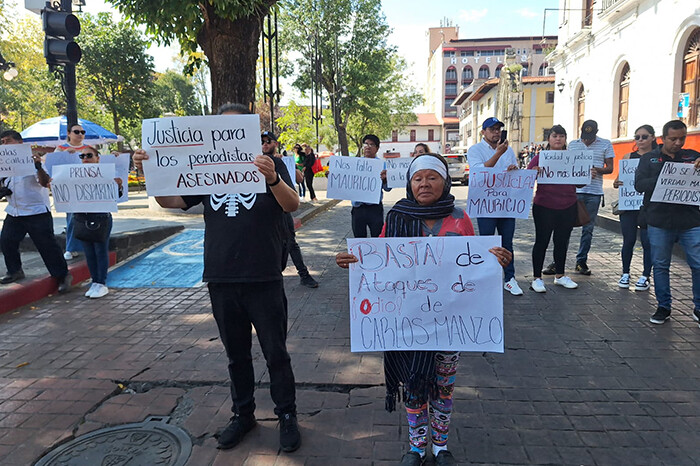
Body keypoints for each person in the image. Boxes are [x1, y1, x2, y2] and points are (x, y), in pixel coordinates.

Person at [132, 102, 302, 452]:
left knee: (276, 352)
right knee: (236, 354)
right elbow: (173, 200)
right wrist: (150, 172)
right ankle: (243, 414)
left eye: (237, 129)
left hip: (264, 276)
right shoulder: (207, 168)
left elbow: (291, 204)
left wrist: (271, 178)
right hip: (221, 277)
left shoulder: (272, 163)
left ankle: (287, 414)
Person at [336, 153, 512, 466]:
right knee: (414, 388)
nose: (424, 183)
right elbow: (379, 257)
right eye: (418, 178)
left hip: (448, 326)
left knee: (444, 389)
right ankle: (417, 448)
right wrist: (354, 259)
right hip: (407, 325)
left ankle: (441, 447)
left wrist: (497, 259)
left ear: (445, 182)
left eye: (432, 177)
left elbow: (476, 265)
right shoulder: (396, 217)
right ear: (409, 183)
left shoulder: (460, 218)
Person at [634, 119, 700, 326]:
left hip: (690, 220)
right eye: (673, 139)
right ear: (663, 139)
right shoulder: (649, 159)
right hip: (659, 220)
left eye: (682, 138)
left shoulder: (693, 157)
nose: (678, 143)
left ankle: (698, 307)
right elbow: (638, 185)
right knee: (661, 265)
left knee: (698, 264)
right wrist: (665, 177)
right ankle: (664, 306)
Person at [0, 130, 72, 292]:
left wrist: (38, 167)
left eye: (8, 141)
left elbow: (45, 182)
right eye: (2, 141)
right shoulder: (4, 164)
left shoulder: (31, 160)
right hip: (15, 211)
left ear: (19, 143)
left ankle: (62, 276)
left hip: (36, 212)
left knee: (47, 246)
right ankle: (15, 270)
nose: (4, 144)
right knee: (6, 241)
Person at [467, 117, 523, 296]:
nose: (496, 132)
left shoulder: (508, 150)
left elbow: (511, 173)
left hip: (506, 203)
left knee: (507, 242)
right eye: (492, 129)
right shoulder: (475, 150)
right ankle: (487, 276)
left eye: (498, 129)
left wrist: (514, 170)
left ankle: (509, 278)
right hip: (486, 204)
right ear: (483, 132)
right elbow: (479, 173)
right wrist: (498, 153)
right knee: (487, 241)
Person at [262, 132, 319, 288]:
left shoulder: (283, 161)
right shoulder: (256, 161)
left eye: (268, 141)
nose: (265, 144)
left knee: (290, 242)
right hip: (263, 213)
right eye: (262, 142)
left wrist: (287, 164)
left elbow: (300, 179)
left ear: (275, 143)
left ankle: (304, 274)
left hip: (283, 209)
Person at [527, 125, 579, 293]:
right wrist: (533, 172)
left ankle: (560, 275)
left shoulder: (574, 158)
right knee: (542, 241)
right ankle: (536, 278)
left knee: (562, 242)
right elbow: (526, 180)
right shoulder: (540, 157)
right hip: (544, 206)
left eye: (562, 136)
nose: (558, 139)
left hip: (568, 206)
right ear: (549, 139)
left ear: (565, 139)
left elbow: (580, 183)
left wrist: (587, 174)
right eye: (555, 135)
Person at [567, 120, 614, 275]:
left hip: (594, 192)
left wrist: (596, 170)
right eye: (585, 136)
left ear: (596, 132)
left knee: (588, 229)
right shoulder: (573, 144)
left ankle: (581, 261)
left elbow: (610, 168)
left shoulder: (605, 144)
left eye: (590, 136)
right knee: (565, 226)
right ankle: (557, 260)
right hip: (574, 191)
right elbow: (566, 166)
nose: (586, 140)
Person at [76, 146, 122, 298]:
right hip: (83, 217)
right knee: (89, 252)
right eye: (82, 156)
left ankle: (101, 282)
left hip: (101, 217)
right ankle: (95, 281)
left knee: (100, 250)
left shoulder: (107, 174)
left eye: (89, 155)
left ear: (98, 158)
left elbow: (117, 195)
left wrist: (119, 185)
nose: (85, 158)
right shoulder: (74, 175)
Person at [612, 124, 654, 291]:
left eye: (644, 136)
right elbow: (618, 180)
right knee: (628, 240)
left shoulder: (657, 157)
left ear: (653, 137)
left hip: (648, 207)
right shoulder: (628, 157)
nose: (641, 140)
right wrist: (617, 182)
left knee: (647, 242)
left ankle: (645, 275)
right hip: (629, 206)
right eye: (637, 137)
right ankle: (625, 273)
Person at [56, 123, 90, 261]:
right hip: (70, 188)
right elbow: (54, 166)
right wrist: (65, 154)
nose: (80, 134)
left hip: (86, 187)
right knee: (72, 218)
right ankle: (70, 247)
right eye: (77, 131)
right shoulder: (61, 149)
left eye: (82, 132)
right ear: (69, 133)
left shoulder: (88, 149)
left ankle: (84, 246)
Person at [350, 134, 391, 238]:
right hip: (358, 208)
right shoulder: (355, 164)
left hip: (374, 208)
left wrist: (385, 180)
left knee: (377, 238)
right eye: (366, 144)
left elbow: (388, 188)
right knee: (358, 239)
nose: (368, 146)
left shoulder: (382, 165)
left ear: (377, 148)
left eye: (371, 144)